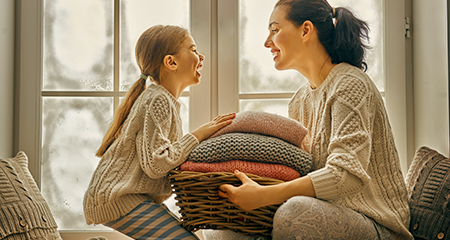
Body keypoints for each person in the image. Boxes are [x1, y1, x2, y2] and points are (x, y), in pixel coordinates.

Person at [219, 0, 413, 239]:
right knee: (222, 233)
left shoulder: (350, 84)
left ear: (305, 30)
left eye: (275, 30)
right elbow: (301, 172)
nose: (267, 42)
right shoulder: (299, 100)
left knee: (294, 213)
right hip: (326, 215)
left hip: (377, 225)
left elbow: (346, 175)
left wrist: (266, 195)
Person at [83, 25, 235, 240]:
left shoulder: (162, 99)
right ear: (171, 62)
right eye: (193, 49)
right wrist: (198, 135)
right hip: (119, 198)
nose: (200, 56)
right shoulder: (158, 99)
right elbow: (157, 164)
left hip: (128, 197)